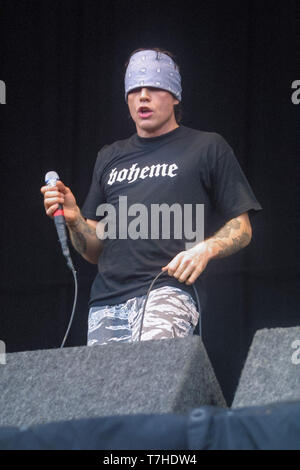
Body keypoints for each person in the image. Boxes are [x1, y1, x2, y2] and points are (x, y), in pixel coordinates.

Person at [41, 48, 262, 346]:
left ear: (175, 96)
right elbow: (94, 250)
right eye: (134, 89)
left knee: (152, 385)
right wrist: (74, 220)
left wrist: (205, 250)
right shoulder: (109, 156)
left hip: (167, 290)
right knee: (105, 392)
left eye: (154, 87)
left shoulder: (206, 146)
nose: (143, 96)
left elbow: (242, 227)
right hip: (106, 300)